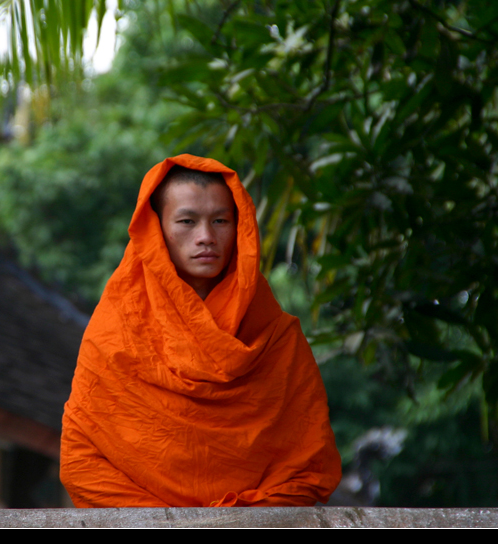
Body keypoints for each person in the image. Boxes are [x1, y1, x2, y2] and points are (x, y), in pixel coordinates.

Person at [60, 154, 341, 507]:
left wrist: (233, 521)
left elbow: (310, 467)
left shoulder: (277, 337)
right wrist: (166, 524)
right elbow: (82, 461)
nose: (206, 237)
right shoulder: (116, 329)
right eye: (187, 221)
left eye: (220, 220)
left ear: (240, 228)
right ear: (156, 229)